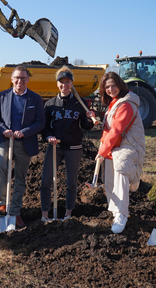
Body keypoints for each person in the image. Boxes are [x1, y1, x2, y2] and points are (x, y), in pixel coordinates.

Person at [0, 66, 45, 228]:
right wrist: (3, 130)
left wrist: (24, 132)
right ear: (12, 79)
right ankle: (3, 203)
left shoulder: (35, 99)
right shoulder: (3, 96)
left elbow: (40, 122)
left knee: (20, 177)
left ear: (28, 80)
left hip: (25, 142)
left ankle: (15, 212)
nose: (19, 81)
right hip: (5, 139)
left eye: (23, 78)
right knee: (0, 166)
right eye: (17, 78)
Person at [40, 66, 96, 222]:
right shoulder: (50, 104)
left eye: (67, 82)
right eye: (61, 82)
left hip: (74, 148)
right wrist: (49, 136)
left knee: (71, 182)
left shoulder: (80, 103)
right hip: (54, 147)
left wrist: (90, 117)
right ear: (57, 84)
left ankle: (68, 216)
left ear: (72, 83)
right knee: (45, 181)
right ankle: (45, 216)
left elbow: (85, 126)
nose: (64, 85)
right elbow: (44, 127)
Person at [95, 72, 145, 234]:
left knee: (121, 178)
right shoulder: (114, 103)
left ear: (120, 85)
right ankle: (116, 211)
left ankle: (122, 214)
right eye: (107, 87)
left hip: (127, 147)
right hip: (114, 147)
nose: (110, 89)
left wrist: (102, 151)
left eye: (113, 86)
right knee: (109, 180)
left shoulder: (126, 104)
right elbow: (110, 128)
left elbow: (117, 130)